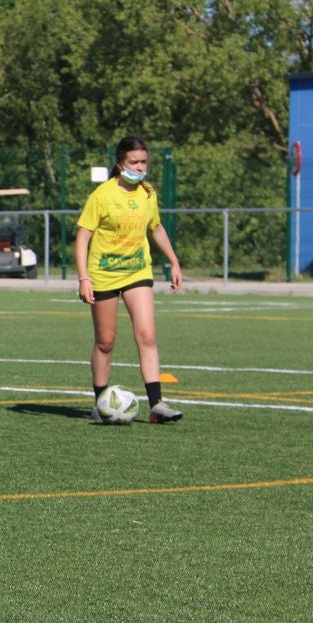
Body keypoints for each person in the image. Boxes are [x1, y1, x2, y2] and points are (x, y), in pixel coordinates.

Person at [74, 134, 184, 423]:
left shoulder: (148, 194)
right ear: (119, 163)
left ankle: (157, 404)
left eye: (144, 162)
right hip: (103, 275)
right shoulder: (102, 196)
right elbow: (82, 236)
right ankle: (101, 402)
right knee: (106, 342)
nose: (139, 167)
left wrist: (173, 262)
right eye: (133, 162)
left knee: (147, 335)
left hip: (138, 272)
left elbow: (156, 228)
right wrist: (84, 278)